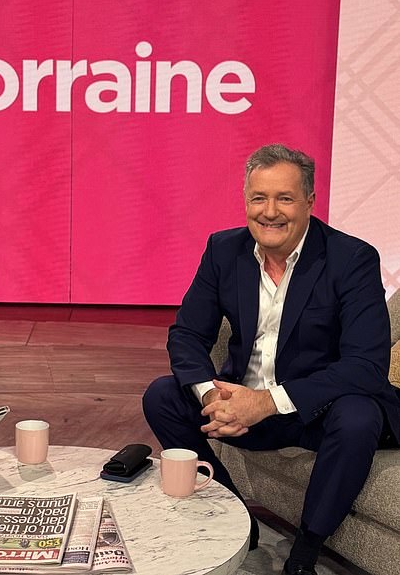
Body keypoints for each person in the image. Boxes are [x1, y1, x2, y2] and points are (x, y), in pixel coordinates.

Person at [143, 144, 400, 575]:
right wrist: (212, 396)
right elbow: (187, 334)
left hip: (312, 410)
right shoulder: (224, 250)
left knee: (360, 415)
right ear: (246, 200)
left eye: (285, 198)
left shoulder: (351, 259)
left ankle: (305, 551)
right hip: (241, 403)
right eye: (258, 198)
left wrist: (264, 403)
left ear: (310, 202)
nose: (269, 212)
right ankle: (238, 518)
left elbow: (365, 365)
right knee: (162, 395)